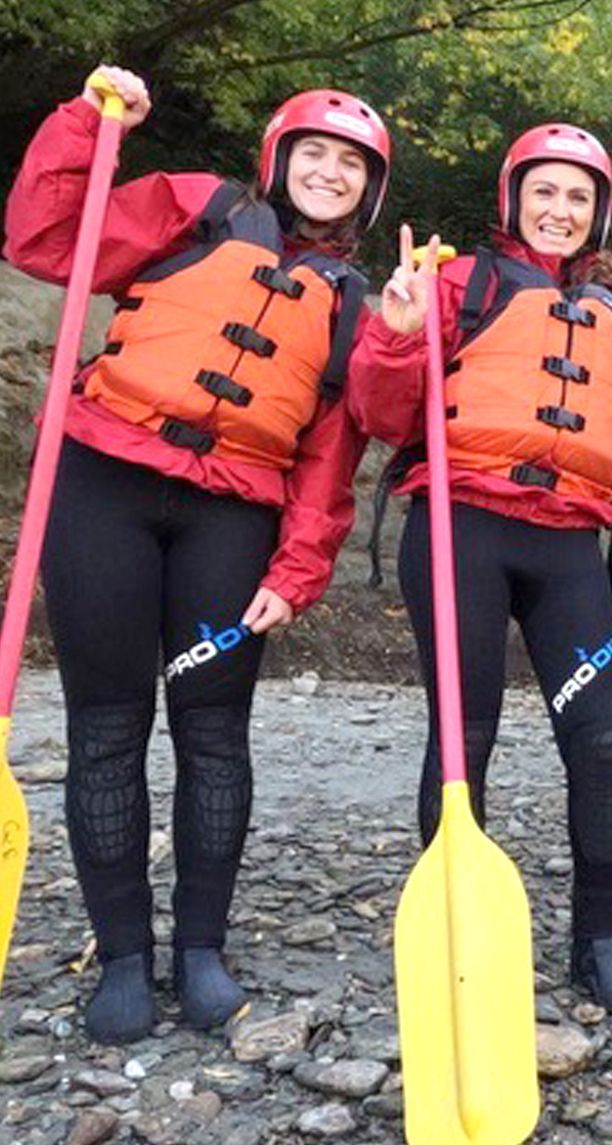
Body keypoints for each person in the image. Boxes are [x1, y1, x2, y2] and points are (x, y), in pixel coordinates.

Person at [4, 67, 386, 1042]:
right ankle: (123, 957)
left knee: (213, 729)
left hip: (234, 515)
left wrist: (297, 569)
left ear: (370, 188)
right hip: (104, 483)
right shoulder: (194, 208)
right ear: (278, 158)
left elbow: (327, 459)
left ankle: (200, 951)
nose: (330, 173)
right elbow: (45, 237)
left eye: (352, 164)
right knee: (107, 722)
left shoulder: (355, 306)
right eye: (316, 153)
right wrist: (90, 129)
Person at [346, 124, 612, 1016]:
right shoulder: (455, 282)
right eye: (544, 192)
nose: (560, 211)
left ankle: (595, 942)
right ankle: (454, 933)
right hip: (461, 527)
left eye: (578, 197)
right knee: (463, 736)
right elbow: (379, 410)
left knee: (599, 741)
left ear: (599, 214)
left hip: (568, 545)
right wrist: (397, 336)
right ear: (513, 197)